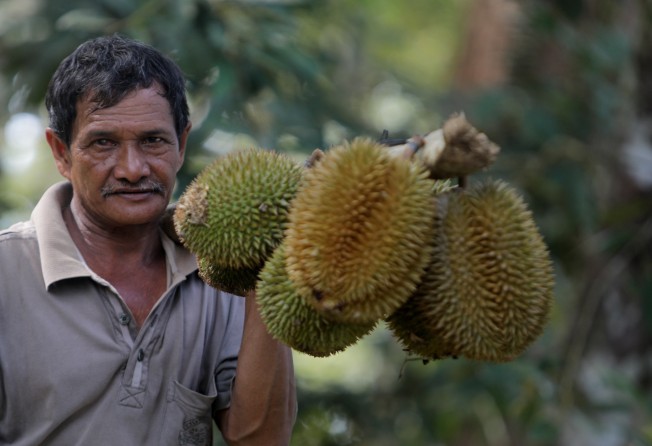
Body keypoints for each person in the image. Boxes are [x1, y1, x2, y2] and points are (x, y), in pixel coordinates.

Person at [0, 35, 296, 445]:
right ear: (62, 153)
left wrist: (266, 270)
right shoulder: (6, 273)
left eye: (153, 140)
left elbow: (261, 440)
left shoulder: (225, 274)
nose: (133, 169)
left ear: (182, 145)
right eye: (103, 143)